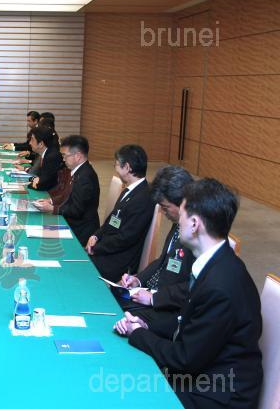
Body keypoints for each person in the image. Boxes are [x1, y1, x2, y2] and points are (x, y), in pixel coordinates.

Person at [114, 178, 262, 409]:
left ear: (194, 224)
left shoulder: (220, 286)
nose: (177, 222)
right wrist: (145, 325)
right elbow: (189, 324)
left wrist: (138, 333)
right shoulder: (216, 263)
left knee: (123, 392)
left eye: (181, 214)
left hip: (217, 392)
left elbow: (184, 359)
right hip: (202, 372)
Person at [116, 166, 195, 324]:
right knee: (113, 295)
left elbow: (195, 287)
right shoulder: (178, 224)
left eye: (165, 208)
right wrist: (137, 280)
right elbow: (163, 260)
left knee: (120, 315)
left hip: (172, 308)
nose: (163, 213)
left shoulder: (197, 236)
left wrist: (154, 298)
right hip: (155, 292)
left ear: (183, 203)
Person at [86, 144, 154, 281]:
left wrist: (97, 248)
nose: (115, 169)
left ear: (127, 167)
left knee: (77, 269)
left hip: (118, 261)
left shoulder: (143, 198)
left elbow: (125, 238)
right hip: (108, 250)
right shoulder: (130, 190)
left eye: (116, 165)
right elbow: (112, 220)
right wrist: (96, 236)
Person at [34, 135, 100, 246]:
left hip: (80, 230)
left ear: (77, 156)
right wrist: (50, 201)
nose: (63, 159)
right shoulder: (78, 171)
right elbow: (66, 194)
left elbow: (77, 210)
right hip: (73, 223)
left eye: (65, 155)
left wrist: (53, 208)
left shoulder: (85, 177)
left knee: (42, 240)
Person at [28, 125, 63, 191]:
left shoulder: (51, 157)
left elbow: (42, 184)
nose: (30, 143)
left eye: (32, 140)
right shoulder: (47, 153)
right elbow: (40, 177)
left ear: (41, 144)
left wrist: (32, 183)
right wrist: (34, 180)